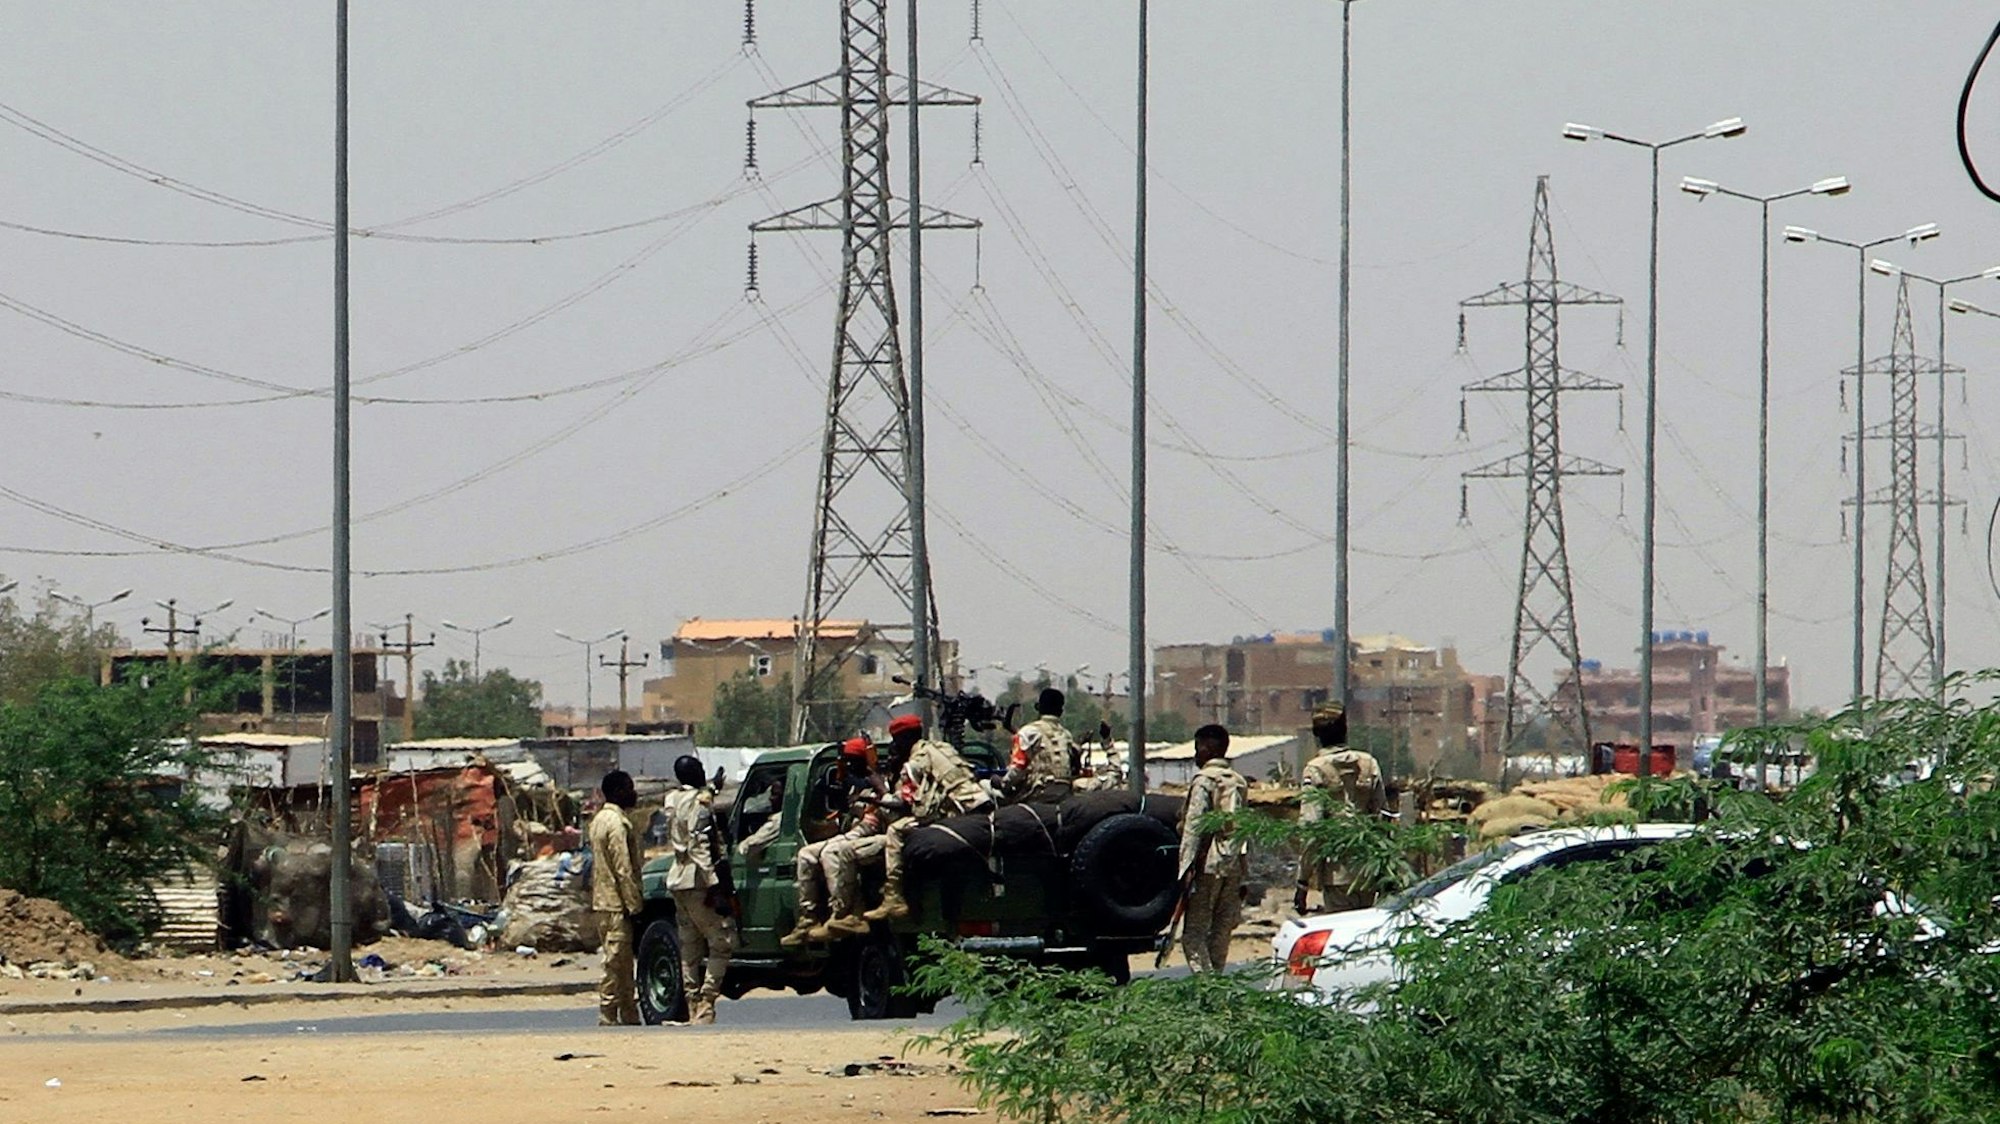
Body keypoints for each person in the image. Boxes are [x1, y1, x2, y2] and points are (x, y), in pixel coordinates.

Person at [863, 713, 995, 923]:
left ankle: (893, 896)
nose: (896, 747)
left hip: (955, 812)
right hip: (979, 806)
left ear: (905, 740)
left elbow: (905, 804)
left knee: (895, 830)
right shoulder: (943, 748)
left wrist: (878, 792)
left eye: (897, 741)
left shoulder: (916, 763)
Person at [779, 737, 887, 947]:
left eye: (852, 760)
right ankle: (808, 917)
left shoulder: (876, 780)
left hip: (870, 829)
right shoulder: (851, 782)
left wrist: (870, 786)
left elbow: (880, 808)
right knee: (807, 854)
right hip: (854, 830)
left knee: (832, 852)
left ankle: (843, 913)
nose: (848, 765)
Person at [1293, 702, 1388, 914]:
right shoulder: (1368, 763)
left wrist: (1302, 880)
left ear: (1316, 733)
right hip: (1369, 868)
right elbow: (1384, 818)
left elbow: (1311, 830)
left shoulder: (1316, 769)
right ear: (1345, 730)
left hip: (1337, 872)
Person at [662, 754, 735, 1024]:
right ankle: (707, 1001)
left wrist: (713, 787)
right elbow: (700, 844)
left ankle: (692, 1004)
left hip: (677, 879)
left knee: (689, 948)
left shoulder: (672, 800)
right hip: (697, 880)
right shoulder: (701, 805)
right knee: (721, 943)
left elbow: (696, 798)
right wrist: (714, 885)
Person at [1177, 724, 1249, 973]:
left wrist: (1185, 869)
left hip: (1208, 865)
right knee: (1220, 934)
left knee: (1193, 937)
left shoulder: (1204, 781)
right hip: (1233, 867)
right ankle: (1217, 987)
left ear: (1207, 749)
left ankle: (1207, 989)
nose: (1196, 754)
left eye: (1198, 748)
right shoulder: (1238, 782)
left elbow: (1194, 828)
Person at [587, 769, 645, 1026]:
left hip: (602, 902)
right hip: (616, 904)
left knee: (622, 965)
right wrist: (635, 905)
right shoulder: (617, 824)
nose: (634, 793)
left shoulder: (598, 819)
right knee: (614, 961)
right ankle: (608, 1013)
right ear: (620, 791)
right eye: (630, 788)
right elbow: (624, 868)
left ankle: (629, 1015)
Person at [1002, 687, 1077, 802]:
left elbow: (1018, 768)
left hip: (1037, 793)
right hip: (1064, 793)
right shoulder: (1067, 735)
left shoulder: (1028, 732)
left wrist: (1002, 782)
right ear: (1061, 712)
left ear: (1038, 707)